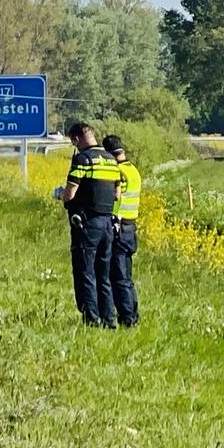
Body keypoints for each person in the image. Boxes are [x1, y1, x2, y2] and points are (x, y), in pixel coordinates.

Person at [60, 122, 121, 327]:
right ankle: (109, 319)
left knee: (85, 271)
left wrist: (62, 196)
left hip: (87, 224)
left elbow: (70, 193)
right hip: (107, 224)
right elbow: (117, 194)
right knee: (103, 274)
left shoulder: (83, 159)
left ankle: (91, 318)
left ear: (76, 139)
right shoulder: (112, 160)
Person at [103, 134, 141, 327]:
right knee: (126, 276)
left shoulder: (117, 171)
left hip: (119, 227)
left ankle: (127, 318)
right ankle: (132, 314)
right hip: (131, 226)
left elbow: (116, 198)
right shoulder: (132, 169)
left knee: (119, 277)